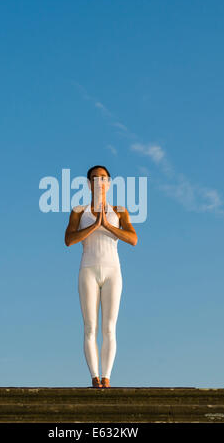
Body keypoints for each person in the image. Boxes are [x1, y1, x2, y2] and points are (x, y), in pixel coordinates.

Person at [65, 165, 137, 388]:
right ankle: (94, 378)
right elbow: (69, 239)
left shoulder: (119, 210)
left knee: (109, 328)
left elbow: (133, 238)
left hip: (112, 271)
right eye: (95, 178)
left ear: (109, 183)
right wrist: (95, 225)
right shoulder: (79, 211)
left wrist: (106, 224)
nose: (99, 182)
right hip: (88, 269)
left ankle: (106, 377)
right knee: (89, 327)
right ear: (88, 184)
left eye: (103, 178)